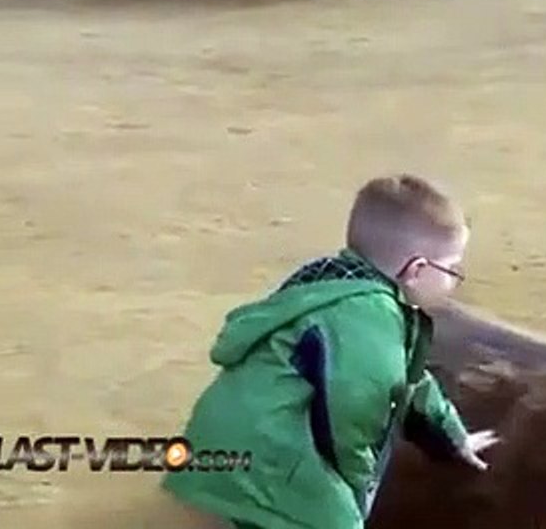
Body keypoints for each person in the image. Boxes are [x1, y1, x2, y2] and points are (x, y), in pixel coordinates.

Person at [160, 173, 499, 529]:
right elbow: (350, 424)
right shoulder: (371, 319)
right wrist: (354, 503)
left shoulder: (335, 284)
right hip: (266, 468)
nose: (454, 282)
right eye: (452, 270)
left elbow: (408, 380)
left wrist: (451, 437)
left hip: (219, 449)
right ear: (416, 270)